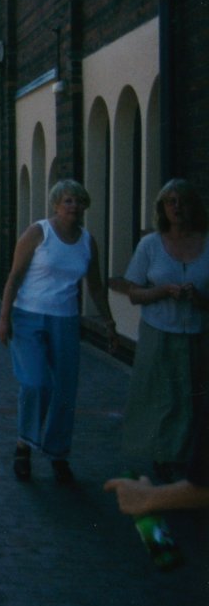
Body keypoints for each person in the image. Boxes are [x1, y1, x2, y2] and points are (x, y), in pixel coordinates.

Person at [0, 179, 117, 484]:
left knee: (64, 390)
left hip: (65, 320)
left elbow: (96, 286)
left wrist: (109, 323)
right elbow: (14, 277)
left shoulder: (88, 242)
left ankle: (58, 453)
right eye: (67, 201)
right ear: (55, 205)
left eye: (78, 201)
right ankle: (24, 445)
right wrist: (4, 317)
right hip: (29, 317)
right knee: (36, 383)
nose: (73, 206)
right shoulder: (39, 233)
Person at [115, 179, 209, 481]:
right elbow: (133, 292)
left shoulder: (207, 243)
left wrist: (199, 299)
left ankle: (184, 456)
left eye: (182, 200)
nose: (177, 207)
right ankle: (162, 455)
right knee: (160, 396)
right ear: (162, 208)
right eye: (170, 201)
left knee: (191, 396)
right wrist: (163, 291)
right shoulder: (151, 245)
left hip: (197, 333)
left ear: (194, 205)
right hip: (158, 331)